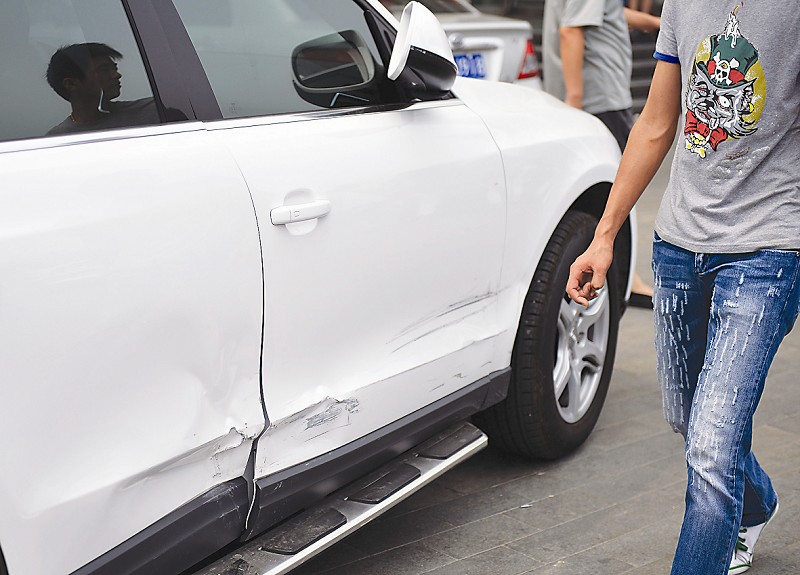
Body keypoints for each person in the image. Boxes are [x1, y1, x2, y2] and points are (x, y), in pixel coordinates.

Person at [566, 2, 799, 574]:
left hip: (768, 248)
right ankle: (754, 503)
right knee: (688, 419)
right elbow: (656, 122)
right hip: (678, 245)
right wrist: (604, 235)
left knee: (712, 442)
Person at [542, 0, 658, 307]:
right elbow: (571, 30)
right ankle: (624, 278)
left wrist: (652, 23)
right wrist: (575, 102)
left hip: (601, 98)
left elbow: (603, 11)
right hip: (600, 100)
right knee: (620, 189)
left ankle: (622, 275)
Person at [45, 42, 158, 135]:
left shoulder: (153, 111)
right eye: (104, 70)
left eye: (114, 68)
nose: (117, 75)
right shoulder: (56, 139)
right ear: (71, 84)